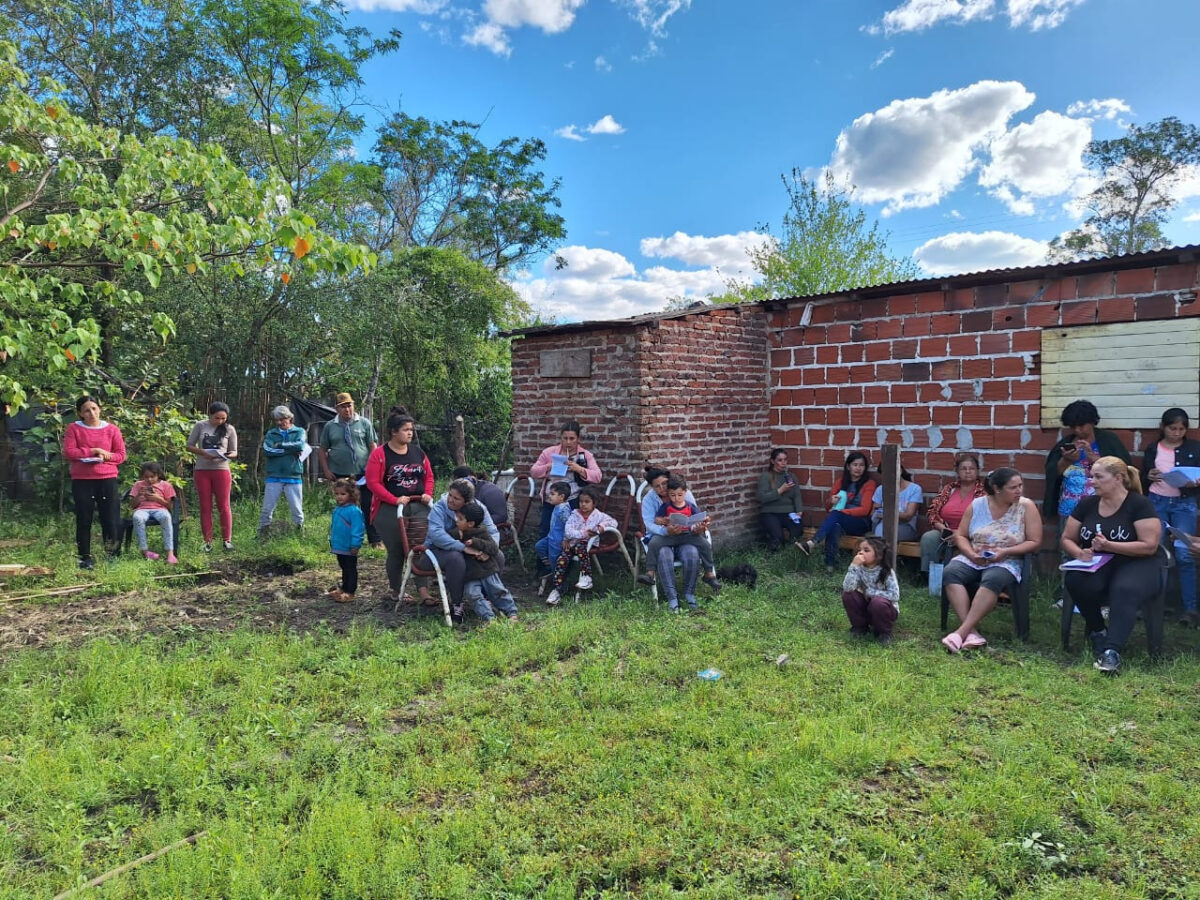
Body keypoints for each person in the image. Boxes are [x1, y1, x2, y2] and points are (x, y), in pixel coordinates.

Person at [1062, 457, 1162, 673]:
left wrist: (1109, 545)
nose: (1092, 481)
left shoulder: (1139, 504)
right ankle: (1098, 632)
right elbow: (1067, 538)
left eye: (1098, 477)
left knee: (1124, 588)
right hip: (1099, 563)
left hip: (1139, 563)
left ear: (1118, 478)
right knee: (1075, 579)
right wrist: (1080, 552)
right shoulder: (1087, 503)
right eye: (1092, 476)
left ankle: (1111, 652)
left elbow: (1150, 546)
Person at [940, 468, 1042, 653]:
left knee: (993, 578)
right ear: (997, 488)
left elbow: (1034, 542)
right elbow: (961, 535)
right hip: (975, 556)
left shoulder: (1026, 506)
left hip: (1007, 559)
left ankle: (961, 632)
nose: (1019, 490)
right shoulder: (977, 505)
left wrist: (1005, 551)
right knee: (950, 572)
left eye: (1020, 486)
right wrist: (971, 554)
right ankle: (971, 632)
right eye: (1013, 487)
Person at [365, 406, 435, 604]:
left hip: (418, 506)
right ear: (393, 432)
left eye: (411, 429)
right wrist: (394, 499)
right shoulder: (380, 454)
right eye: (406, 429)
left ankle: (424, 592)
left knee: (419, 549)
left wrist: (427, 495)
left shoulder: (418, 453)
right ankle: (397, 590)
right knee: (397, 551)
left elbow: (429, 476)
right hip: (390, 510)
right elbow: (373, 483)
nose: (410, 433)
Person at [1141, 407, 1200, 627]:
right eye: (1172, 428)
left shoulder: (1194, 448)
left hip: (1184, 504)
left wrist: (1195, 482)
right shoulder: (1152, 448)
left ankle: (1190, 609)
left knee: (1185, 553)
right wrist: (1149, 475)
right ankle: (1154, 603)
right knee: (1155, 552)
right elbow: (1143, 476)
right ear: (1163, 427)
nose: (1176, 433)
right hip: (1157, 501)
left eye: (1181, 429)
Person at [62, 395, 126, 569]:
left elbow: (120, 455)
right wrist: (93, 451)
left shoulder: (112, 429)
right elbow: (69, 452)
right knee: (84, 519)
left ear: (100, 409)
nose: (91, 413)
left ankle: (112, 555)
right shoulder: (74, 429)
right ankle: (85, 558)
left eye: (94, 408)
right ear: (80, 413)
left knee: (111, 519)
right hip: (82, 480)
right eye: (86, 410)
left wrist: (106, 456)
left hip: (107, 479)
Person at [427, 478, 503, 626]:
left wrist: (488, 550)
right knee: (455, 559)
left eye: (456, 498)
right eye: (450, 495)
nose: (451, 500)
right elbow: (436, 535)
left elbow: (492, 530)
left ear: (467, 501)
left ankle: (488, 598)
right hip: (436, 550)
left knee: (498, 556)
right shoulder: (439, 507)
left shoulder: (477, 507)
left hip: (472, 548)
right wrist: (463, 547)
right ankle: (456, 604)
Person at [318, 392, 381, 549]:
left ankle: (375, 539)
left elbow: (373, 447)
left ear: (353, 405)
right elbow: (322, 449)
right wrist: (326, 470)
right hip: (340, 473)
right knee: (345, 507)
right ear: (337, 409)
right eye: (343, 407)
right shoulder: (330, 426)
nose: (347, 409)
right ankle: (345, 539)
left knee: (368, 505)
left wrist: (372, 468)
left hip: (363, 473)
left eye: (349, 405)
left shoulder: (364, 423)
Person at [798, 451, 877, 571]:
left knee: (836, 516)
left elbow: (865, 510)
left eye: (861, 465)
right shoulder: (840, 482)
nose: (858, 468)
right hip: (840, 519)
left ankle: (813, 543)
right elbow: (828, 508)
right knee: (835, 525)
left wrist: (842, 513)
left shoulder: (869, 484)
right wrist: (831, 501)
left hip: (861, 522)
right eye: (855, 465)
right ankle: (830, 565)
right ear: (848, 466)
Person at [529, 420, 602, 541]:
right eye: (565, 438)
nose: (568, 442)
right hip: (551, 500)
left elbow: (598, 476)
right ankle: (544, 559)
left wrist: (579, 469)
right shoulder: (549, 452)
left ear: (578, 438)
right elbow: (534, 471)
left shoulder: (585, 455)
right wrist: (549, 466)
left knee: (568, 535)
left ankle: (565, 559)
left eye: (572, 438)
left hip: (572, 501)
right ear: (561, 438)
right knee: (546, 532)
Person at [545, 486, 618, 607]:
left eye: (587, 502)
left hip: (586, 544)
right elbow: (568, 531)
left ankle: (586, 576)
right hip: (572, 544)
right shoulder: (574, 515)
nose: (583, 505)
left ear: (594, 503)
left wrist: (601, 527)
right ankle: (557, 589)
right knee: (562, 560)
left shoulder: (598, 515)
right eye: (581, 501)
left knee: (580, 546)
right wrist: (583, 533)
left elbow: (614, 522)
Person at [919, 452, 986, 575]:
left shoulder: (984, 492)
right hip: (945, 530)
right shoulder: (950, 489)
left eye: (971, 468)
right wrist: (943, 529)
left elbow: (985, 519)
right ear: (957, 472)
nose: (967, 471)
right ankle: (929, 577)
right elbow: (932, 511)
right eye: (963, 469)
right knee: (928, 538)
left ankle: (953, 578)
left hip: (971, 533)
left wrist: (960, 534)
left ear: (977, 471)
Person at [455, 501, 519, 625]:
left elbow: (493, 548)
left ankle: (511, 613)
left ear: (471, 523)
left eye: (460, 519)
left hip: (487, 571)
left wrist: (475, 542)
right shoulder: (457, 533)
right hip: (470, 574)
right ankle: (488, 619)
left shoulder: (482, 533)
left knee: (497, 591)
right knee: (473, 595)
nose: (456, 520)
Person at [186, 401, 237, 552]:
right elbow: (189, 445)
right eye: (217, 418)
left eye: (223, 418)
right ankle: (207, 541)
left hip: (221, 470)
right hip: (202, 470)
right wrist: (203, 453)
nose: (220, 421)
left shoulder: (229, 429)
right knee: (205, 506)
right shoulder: (200, 425)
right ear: (210, 415)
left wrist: (227, 455)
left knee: (224, 505)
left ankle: (227, 540)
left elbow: (235, 451)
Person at [841, 536, 900, 645]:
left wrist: (869, 592)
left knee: (878, 602)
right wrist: (853, 566)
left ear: (878, 555)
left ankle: (884, 633)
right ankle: (859, 627)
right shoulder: (858, 568)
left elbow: (895, 595)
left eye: (866, 550)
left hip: (885, 610)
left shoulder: (886, 571)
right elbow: (848, 588)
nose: (861, 553)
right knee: (847, 595)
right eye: (859, 550)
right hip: (866, 606)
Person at [258, 405, 308, 534]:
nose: (279, 423)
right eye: (277, 420)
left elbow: (300, 445)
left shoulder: (300, 431)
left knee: (297, 509)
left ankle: (299, 533)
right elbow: (268, 450)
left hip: (294, 475)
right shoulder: (271, 433)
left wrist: (280, 445)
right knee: (267, 509)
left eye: (282, 419)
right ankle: (262, 534)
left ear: (289, 417)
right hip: (274, 475)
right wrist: (290, 451)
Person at [128, 461, 178, 564]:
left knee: (166, 517)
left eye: (152, 476)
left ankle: (170, 553)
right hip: (142, 510)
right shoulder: (138, 485)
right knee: (137, 517)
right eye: (146, 477)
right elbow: (132, 505)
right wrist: (138, 496)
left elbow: (169, 506)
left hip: (160, 509)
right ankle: (145, 551)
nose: (149, 479)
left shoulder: (166, 485)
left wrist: (157, 498)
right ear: (142, 476)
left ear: (158, 475)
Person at [757, 448, 805, 551]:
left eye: (785, 460)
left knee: (797, 530)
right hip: (770, 512)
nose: (783, 463)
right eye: (780, 460)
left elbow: (797, 495)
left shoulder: (791, 476)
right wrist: (780, 490)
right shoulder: (766, 476)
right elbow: (762, 497)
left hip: (788, 512)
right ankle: (776, 558)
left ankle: (792, 556)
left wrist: (799, 511)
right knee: (777, 537)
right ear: (772, 461)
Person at [328, 479, 364, 603]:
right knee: (343, 567)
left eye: (343, 494)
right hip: (340, 546)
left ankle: (350, 591)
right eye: (337, 494)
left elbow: (358, 529)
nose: (339, 497)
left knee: (350, 569)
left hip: (349, 547)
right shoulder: (337, 509)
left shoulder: (354, 511)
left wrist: (355, 544)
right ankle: (343, 588)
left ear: (351, 494)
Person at [870, 464, 923, 542]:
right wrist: (879, 513)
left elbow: (908, 515)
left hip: (905, 526)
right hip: (882, 524)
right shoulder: (881, 489)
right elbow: (873, 512)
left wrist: (887, 514)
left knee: (883, 532)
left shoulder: (914, 489)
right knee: (881, 529)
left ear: (900, 471)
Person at [534, 481, 572, 582]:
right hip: (550, 537)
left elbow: (568, 525)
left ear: (562, 496)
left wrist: (566, 539)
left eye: (552, 494)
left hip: (557, 541)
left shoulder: (564, 510)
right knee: (539, 546)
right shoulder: (557, 506)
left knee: (554, 559)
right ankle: (549, 567)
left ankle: (559, 582)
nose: (549, 496)